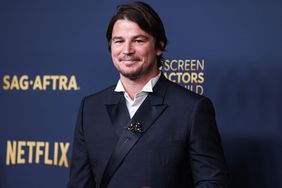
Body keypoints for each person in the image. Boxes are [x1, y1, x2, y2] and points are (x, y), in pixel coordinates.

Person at [67, 1, 229, 188]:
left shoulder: (192, 108)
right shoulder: (90, 108)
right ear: (110, 47)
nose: (127, 50)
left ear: (159, 46)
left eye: (138, 40)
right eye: (119, 41)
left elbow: (214, 184)